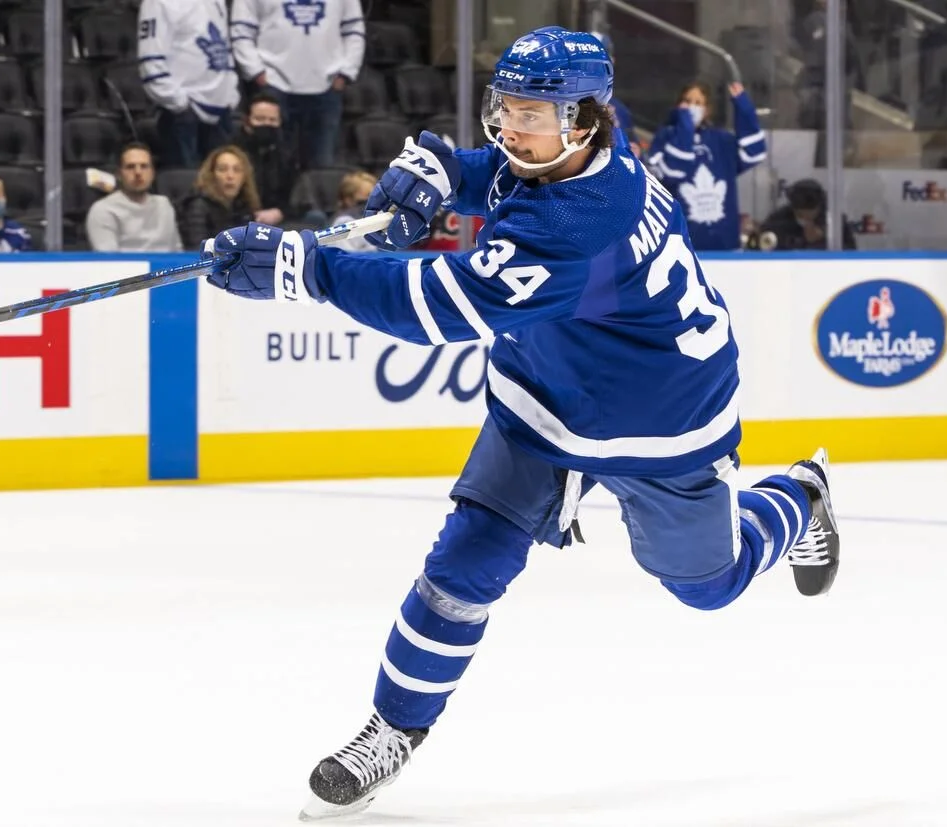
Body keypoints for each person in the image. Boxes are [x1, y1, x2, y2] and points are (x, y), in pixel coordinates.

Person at [198, 28, 841, 820]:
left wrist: (308, 269)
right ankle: (393, 729)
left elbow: (441, 305)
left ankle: (801, 497)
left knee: (708, 585)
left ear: (584, 119)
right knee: (461, 566)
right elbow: (500, 172)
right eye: (503, 106)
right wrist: (444, 171)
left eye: (529, 113)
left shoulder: (578, 224)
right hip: (547, 396)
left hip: (661, 422)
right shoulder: (577, 154)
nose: (508, 126)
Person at [230, 0, 365, 168]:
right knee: (270, 166)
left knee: (322, 167)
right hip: (274, 86)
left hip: (327, 88)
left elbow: (354, 30)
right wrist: (256, 72)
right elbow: (241, 31)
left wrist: (346, 73)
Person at [647, 81, 767, 251]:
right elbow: (670, 175)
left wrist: (743, 107)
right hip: (680, 247)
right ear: (678, 105)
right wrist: (685, 129)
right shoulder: (665, 137)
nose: (691, 107)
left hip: (725, 246)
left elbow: (754, 152)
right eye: (687, 101)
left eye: (698, 103)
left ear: (707, 109)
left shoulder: (721, 140)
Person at [137, 0, 240, 169]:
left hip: (221, 113)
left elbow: (225, 49)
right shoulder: (159, 3)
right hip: (183, 115)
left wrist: (230, 95)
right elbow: (150, 63)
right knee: (185, 181)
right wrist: (180, 104)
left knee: (223, 183)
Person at [85, 143, 183, 252]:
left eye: (144, 166)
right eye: (130, 167)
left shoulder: (164, 204)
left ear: (152, 173)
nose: (138, 172)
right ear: (119, 174)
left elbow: (177, 251)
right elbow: (109, 259)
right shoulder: (103, 210)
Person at [231, 91, 296, 227]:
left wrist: (280, 212)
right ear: (247, 122)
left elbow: (296, 193)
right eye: (260, 119)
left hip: (279, 216)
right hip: (239, 216)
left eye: (272, 120)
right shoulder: (232, 152)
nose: (267, 124)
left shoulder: (287, 152)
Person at [178, 145, 258, 249]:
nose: (230, 176)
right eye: (223, 169)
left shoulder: (245, 206)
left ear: (244, 177)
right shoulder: (198, 206)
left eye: (237, 170)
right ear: (211, 175)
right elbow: (198, 250)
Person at [756, 178, 856, 251]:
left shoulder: (834, 221)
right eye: (800, 215)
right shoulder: (779, 219)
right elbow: (763, 244)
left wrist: (822, 240)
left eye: (809, 215)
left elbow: (850, 252)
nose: (805, 218)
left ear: (819, 208)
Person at [326, 170, 376, 252]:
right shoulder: (342, 223)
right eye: (367, 195)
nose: (374, 200)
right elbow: (345, 257)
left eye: (376, 195)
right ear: (348, 199)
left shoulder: (377, 220)